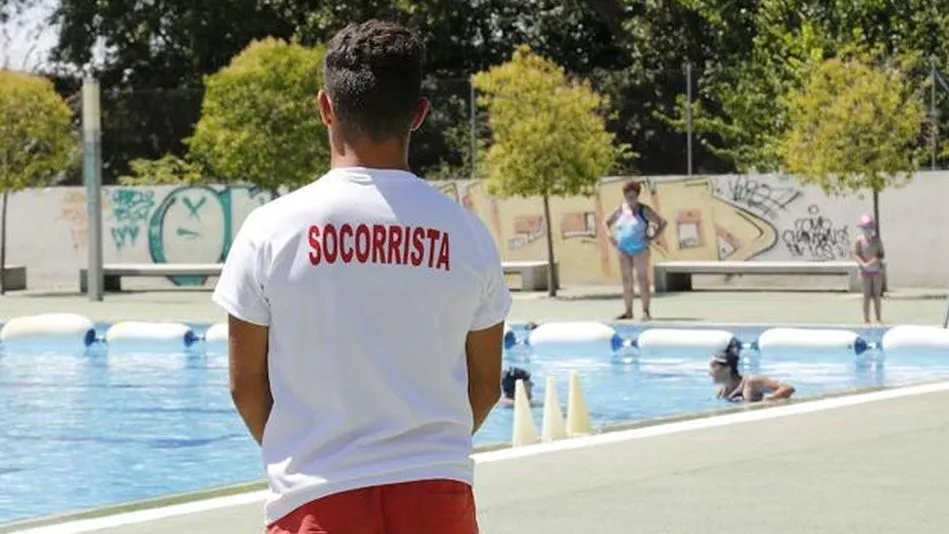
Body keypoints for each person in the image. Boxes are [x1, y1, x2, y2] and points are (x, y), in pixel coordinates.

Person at [212, 20, 511, 534]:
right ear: (419, 115)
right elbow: (485, 385)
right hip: (438, 494)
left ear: (325, 107)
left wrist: (307, 453)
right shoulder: (469, 234)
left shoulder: (269, 230)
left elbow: (245, 384)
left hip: (316, 498)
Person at [603, 180, 667, 321]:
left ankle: (645, 311)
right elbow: (606, 222)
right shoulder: (621, 209)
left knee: (642, 279)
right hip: (623, 248)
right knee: (627, 281)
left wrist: (652, 238)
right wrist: (610, 236)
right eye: (627, 196)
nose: (630, 199)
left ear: (637, 195)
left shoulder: (643, 210)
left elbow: (662, 223)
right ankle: (628, 311)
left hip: (640, 249)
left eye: (633, 196)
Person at [709, 345, 795, 403]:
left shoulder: (751, 382)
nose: (709, 372)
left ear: (727, 369)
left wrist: (769, 399)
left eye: (713, 366)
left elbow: (788, 388)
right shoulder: (723, 390)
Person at [852, 214, 885, 326]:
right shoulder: (859, 240)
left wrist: (871, 262)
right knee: (866, 296)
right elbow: (856, 254)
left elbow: (881, 255)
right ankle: (866, 319)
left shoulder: (877, 240)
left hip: (876, 272)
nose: (868, 231)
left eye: (870, 229)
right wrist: (863, 264)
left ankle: (878, 318)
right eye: (865, 229)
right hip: (864, 272)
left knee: (876, 295)